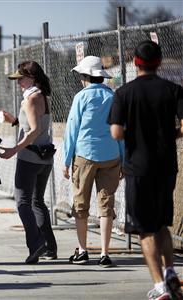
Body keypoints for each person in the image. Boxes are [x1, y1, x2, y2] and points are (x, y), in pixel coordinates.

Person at [108, 40, 183, 300]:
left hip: (138, 168)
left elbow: (116, 132)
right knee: (162, 224)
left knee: (144, 228)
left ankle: (160, 286)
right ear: (159, 62)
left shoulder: (124, 93)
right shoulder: (173, 90)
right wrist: (168, 133)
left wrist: (138, 134)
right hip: (166, 166)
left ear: (135, 63)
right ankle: (171, 271)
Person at [63, 56, 123, 268]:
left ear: (85, 76)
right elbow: (120, 129)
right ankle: (105, 254)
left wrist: (66, 160)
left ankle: (83, 250)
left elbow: (72, 129)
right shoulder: (113, 96)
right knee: (106, 204)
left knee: (81, 205)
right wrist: (122, 158)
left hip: (85, 155)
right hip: (111, 155)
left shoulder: (81, 97)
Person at [0, 60, 58, 264]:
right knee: (37, 202)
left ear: (31, 78)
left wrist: (13, 150)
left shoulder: (30, 99)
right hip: (45, 159)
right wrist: (14, 121)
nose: (18, 83)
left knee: (23, 203)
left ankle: (36, 244)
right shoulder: (43, 96)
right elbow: (37, 126)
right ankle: (50, 247)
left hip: (29, 158)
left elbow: (32, 131)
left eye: (21, 78)